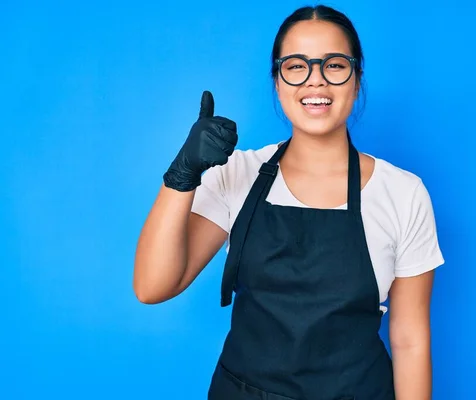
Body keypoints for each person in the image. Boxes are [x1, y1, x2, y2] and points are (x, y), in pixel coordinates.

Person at [133, 5, 444, 400]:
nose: (316, 81)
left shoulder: (403, 192)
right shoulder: (237, 173)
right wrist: (182, 175)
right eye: (296, 66)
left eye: (334, 65)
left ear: (357, 77)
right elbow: (152, 286)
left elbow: (410, 339)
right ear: (278, 81)